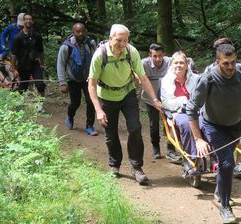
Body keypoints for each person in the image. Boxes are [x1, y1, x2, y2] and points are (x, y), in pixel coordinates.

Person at [186, 43, 241, 224]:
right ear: (217, 62)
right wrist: (198, 139)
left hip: (235, 125)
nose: (230, 67)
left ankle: (221, 192)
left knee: (224, 165)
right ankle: (225, 208)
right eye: (225, 64)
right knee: (227, 163)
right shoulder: (207, 79)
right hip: (213, 125)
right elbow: (191, 109)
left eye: (233, 62)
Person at [87, 24, 163, 185]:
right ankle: (114, 165)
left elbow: (143, 78)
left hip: (127, 93)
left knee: (135, 129)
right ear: (110, 39)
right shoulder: (99, 55)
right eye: (119, 40)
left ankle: (136, 167)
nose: (123, 44)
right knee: (111, 133)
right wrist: (98, 110)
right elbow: (91, 84)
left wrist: (155, 100)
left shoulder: (131, 51)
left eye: (126, 40)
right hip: (106, 97)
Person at [206, 37, 241, 178]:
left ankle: (238, 163)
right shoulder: (209, 72)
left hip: (237, 110)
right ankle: (221, 161)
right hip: (217, 114)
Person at [160, 51, 200, 175]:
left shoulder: (196, 79)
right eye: (176, 62)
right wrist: (183, 101)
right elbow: (165, 103)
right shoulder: (166, 80)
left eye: (182, 63)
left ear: (187, 65)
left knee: (208, 125)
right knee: (187, 125)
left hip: (197, 111)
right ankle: (190, 160)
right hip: (179, 112)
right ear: (171, 64)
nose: (179, 65)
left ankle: (216, 159)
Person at [56, 23, 98, 136]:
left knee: (91, 101)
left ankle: (89, 126)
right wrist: (62, 82)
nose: (81, 34)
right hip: (73, 79)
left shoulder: (91, 43)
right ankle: (70, 115)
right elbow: (60, 64)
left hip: (88, 79)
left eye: (83, 31)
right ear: (73, 32)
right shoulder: (66, 46)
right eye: (78, 31)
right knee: (75, 102)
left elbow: (97, 60)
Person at [141, 43, 180, 162]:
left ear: (164, 54)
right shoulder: (143, 64)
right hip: (150, 100)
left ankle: (171, 149)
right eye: (154, 56)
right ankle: (155, 148)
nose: (157, 59)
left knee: (171, 123)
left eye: (160, 56)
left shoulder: (170, 62)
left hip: (168, 99)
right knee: (154, 125)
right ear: (150, 55)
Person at [10, 13, 46, 102]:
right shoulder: (18, 37)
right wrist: (14, 69)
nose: (28, 21)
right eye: (26, 19)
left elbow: (41, 51)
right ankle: (14, 101)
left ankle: (41, 103)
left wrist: (42, 64)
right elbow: (14, 54)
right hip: (23, 65)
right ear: (23, 21)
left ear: (32, 21)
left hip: (35, 64)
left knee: (40, 85)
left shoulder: (37, 36)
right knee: (23, 87)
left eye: (30, 19)